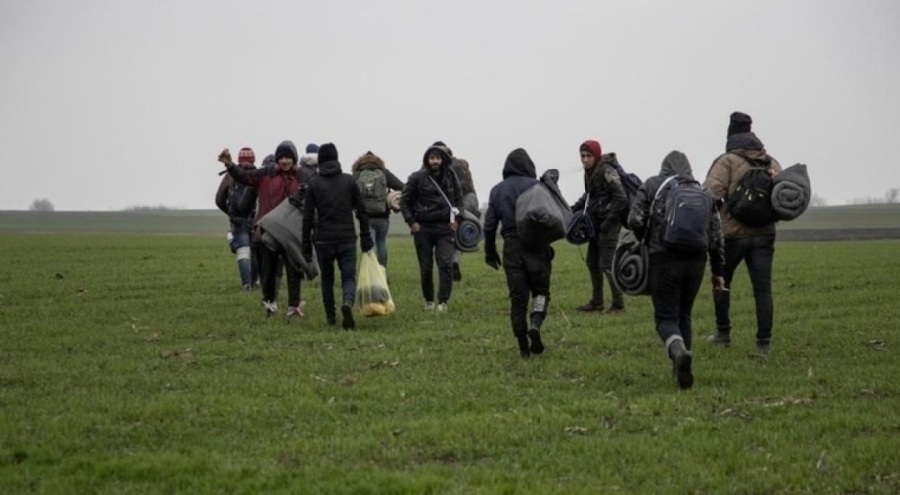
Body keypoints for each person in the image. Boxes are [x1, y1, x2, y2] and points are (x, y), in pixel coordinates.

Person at [628, 150, 726, 389]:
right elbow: (716, 237)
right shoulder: (704, 193)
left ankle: (678, 351)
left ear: (664, 167)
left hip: (663, 259)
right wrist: (718, 271)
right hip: (696, 261)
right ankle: (682, 371)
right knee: (684, 315)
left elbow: (635, 220)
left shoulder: (652, 185)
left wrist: (645, 240)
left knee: (665, 318)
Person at [703, 112, 783, 357]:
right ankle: (763, 344)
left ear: (730, 135)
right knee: (763, 289)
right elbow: (783, 197)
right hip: (764, 234)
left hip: (732, 235)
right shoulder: (771, 162)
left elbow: (710, 193)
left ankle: (723, 332)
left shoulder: (726, 161)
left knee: (720, 281)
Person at [218, 141, 306, 318]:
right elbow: (244, 176)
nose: (284, 161)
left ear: (294, 159)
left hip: (292, 231)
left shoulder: (302, 176)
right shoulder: (265, 174)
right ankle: (270, 304)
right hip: (268, 230)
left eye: (288, 157)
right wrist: (230, 165)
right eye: (281, 157)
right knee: (269, 271)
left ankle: (293, 308)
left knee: (293, 271)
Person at [483, 148, 554, 358]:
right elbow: (550, 217)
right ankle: (536, 323)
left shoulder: (497, 190)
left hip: (512, 247)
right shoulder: (538, 187)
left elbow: (489, 225)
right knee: (541, 292)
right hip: (537, 246)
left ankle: (523, 347)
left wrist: (490, 251)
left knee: (518, 298)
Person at [302, 143, 374, 329]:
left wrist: (306, 244)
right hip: (347, 237)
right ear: (336, 158)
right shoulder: (349, 181)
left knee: (327, 279)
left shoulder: (314, 183)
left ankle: (331, 317)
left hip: (323, 239)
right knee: (348, 277)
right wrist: (365, 235)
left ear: (320, 161)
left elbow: (307, 217)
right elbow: (362, 211)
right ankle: (347, 303)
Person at [400, 142, 464, 312]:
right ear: (427, 160)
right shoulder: (416, 177)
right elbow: (404, 201)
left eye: (437, 158)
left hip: (445, 227)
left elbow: (459, 199)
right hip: (423, 228)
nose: (435, 161)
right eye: (432, 158)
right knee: (426, 267)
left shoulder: (451, 176)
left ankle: (443, 301)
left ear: (443, 160)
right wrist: (411, 222)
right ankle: (429, 300)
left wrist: (457, 219)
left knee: (446, 264)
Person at [571, 140, 629, 313]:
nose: (585, 159)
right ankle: (597, 302)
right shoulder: (589, 172)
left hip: (609, 224)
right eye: (582, 156)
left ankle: (618, 305)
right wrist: (572, 209)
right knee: (592, 262)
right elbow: (589, 195)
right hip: (596, 223)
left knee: (607, 264)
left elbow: (621, 198)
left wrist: (608, 222)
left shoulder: (606, 171)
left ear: (595, 156)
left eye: (588, 156)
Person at [215, 147, 260, 290]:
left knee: (242, 251)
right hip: (254, 219)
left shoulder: (230, 175)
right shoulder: (257, 175)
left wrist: (230, 213)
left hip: (237, 221)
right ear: (253, 160)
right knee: (255, 251)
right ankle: (254, 281)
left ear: (238, 160)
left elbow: (219, 199)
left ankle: (246, 284)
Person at [432, 142, 478, 282]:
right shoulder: (462, 164)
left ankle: (445, 267)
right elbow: (470, 188)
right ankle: (455, 260)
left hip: (443, 205)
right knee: (460, 233)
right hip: (466, 202)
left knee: (440, 236)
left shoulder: (430, 165)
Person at [351, 150, 405, 268]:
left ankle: (372, 272)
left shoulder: (357, 174)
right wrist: (391, 197)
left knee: (371, 246)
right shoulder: (384, 172)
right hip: (382, 216)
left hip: (365, 217)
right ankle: (382, 271)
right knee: (381, 243)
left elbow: (349, 192)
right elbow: (402, 187)